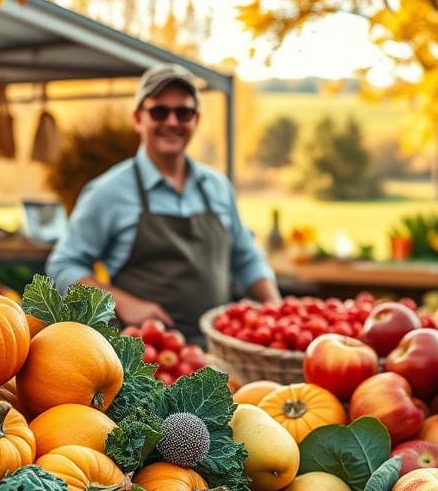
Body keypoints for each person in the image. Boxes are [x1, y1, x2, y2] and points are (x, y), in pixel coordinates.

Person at [46, 63, 280, 342]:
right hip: (146, 355)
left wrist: (276, 310)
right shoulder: (107, 192)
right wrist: (120, 301)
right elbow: (63, 266)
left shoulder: (218, 187)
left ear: (196, 119)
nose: (172, 122)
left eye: (183, 112)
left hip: (218, 350)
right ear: (138, 119)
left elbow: (246, 258)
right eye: (159, 111)